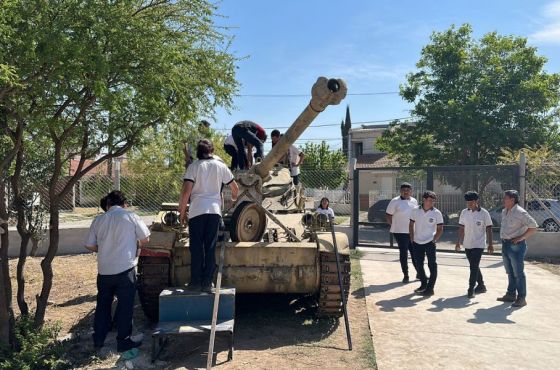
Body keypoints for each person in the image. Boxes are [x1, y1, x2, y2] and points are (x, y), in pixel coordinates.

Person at [85, 190, 151, 352]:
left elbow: (89, 245)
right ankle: (123, 341)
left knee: (102, 305)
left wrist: (105, 249)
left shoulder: (98, 219)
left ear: (108, 205)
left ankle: (98, 341)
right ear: (124, 204)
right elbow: (145, 239)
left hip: (104, 271)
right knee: (125, 306)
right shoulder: (131, 217)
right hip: (125, 270)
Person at [179, 139, 239, 293]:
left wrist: (182, 213)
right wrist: (232, 200)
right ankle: (207, 283)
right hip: (214, 212)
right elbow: (234, 188)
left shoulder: (194, 167)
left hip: (197, 211)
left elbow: (186, 192)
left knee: (197, 247)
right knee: (210, 247)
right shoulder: (221, 166)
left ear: (198, 151)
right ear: (212, 150)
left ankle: (195, 282)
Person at [497, 190, 538, 308]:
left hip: (516, 246)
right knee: (510, 272)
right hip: (505, 244)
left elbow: (533, 226)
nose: (503, 200)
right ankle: (511, 294)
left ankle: (521, 298)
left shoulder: (520, 212)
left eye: (505, 198)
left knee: (518, 273)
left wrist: (522, 237)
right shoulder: (505, 211)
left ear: (512, 200)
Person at [455, 191, 494, 298]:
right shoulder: (464, 212)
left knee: (473, 267)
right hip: (467, 244)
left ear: (476, 201)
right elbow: (461, 228)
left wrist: (490, 244)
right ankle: (481, 285)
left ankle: (471, 289)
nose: (469, 205)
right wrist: (458, 242)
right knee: (474, 266)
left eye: (471, 202)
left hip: (479, 244)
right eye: (467, 203)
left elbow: (489, 229)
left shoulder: (484, 213)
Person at [409, 191, 444, 296]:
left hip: (430, 242)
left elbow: (440, 228)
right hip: (416, 242)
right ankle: (423, 284)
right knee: (419, 265)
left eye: (433, 201)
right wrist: (412, 238)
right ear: (424, 199)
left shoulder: (437, 213)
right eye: (430, 200)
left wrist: (434, 240)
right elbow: (411, 225)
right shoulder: (415, 210)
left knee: (432, 265)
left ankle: (430, 289)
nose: (432, 202)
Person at [386, 182, 419, 283]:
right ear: (400, 191)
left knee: (415, 253)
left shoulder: (414, 201)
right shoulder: (395, 201)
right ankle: (406, 275)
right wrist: (394, 226)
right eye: (403, 190)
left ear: (411, 191)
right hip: (400, 232)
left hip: (412, 232)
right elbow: (388, 215)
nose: (406, 192)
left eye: (408, 190)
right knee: (404, 253)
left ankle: (420, 273)